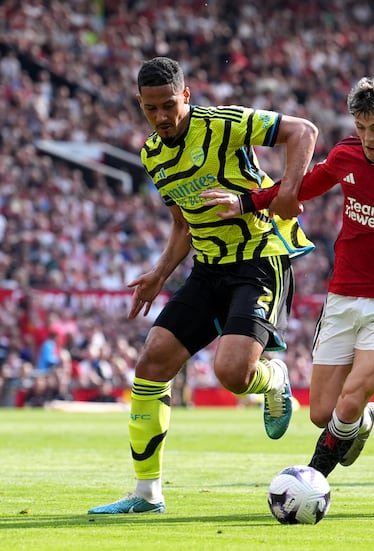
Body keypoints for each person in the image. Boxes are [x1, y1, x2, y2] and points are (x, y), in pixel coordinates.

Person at [202, 76, 374, 478]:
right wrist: (246, 202)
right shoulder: (345, 155)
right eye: (361, 127)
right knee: (322, 413)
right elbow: (301, 188)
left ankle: (311, 481)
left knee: (348, 400)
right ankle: (362, 421)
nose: (367, 137)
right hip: (343, 297)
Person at [88, 57, 319, 514]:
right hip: (208, 267)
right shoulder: (152, 155)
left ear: (186, 96)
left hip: (259, 259)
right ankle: (147, 494)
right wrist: (158, 273)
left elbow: (304, 131)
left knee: (232, 375)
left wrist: (289, 191)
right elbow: (182, 223)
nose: (161, 117)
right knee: (152, 362)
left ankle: (274, 377)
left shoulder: (224, 124)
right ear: (140, 105)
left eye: (169, 105)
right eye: (150, 109)